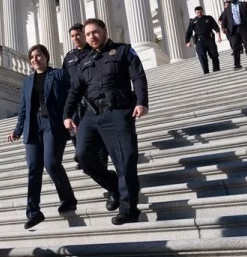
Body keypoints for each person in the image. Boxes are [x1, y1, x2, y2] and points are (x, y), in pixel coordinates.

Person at [63, 18, 149, 225]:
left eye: (95, 32)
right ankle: (114, 186)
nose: (92, 37)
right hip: (92, 115)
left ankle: (129, 210)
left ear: (104, 31)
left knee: (124, 160)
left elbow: (138, 77)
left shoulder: (123, 51)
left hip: (118, 111)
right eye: (88, 34)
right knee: (83, 155)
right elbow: (75, 90)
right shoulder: (85, 61)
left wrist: (142, 101)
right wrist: (66, 115)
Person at [8, 44, 76, 230]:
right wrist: (17, 130)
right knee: (33, 168)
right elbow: (23, 108)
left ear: (46, 57)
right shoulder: (27, 81)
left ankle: (68, 199)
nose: (35, 59)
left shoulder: (60, 75)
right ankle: (33, 212)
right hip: (32, 126)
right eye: (32, 57)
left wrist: (71, 118)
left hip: (53, 124)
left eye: (38, 56)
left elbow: (72, 97)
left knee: (51, 163)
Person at [62, 23, 110, 171]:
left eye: (78, 35)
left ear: (84, 35)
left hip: (92, 99)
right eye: (72, 36)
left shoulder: (93, 52)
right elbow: (65, 78)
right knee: (76, 131)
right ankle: (82, 157)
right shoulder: (69, 57)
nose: (75, 38)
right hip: (76, 100)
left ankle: (102, 160)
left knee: (98, 133)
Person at [224, 0, 247, 70]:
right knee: (235, 47)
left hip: (244, 28)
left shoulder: (245, 4)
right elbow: (224, 19)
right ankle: (237, 64)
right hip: (234, 30)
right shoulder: (227, 9)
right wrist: (224, 27)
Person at [185, 6, 222, 74]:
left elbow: (216, 27)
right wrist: (187, 42)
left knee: (214, 55)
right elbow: (189, 32)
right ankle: (206, 71)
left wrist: (219, 37)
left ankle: (216, 69)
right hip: (199, 41)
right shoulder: (193, 21)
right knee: (202, 56)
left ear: (202, 11)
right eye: (197, 12)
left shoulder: (209, 18)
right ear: (195, 13)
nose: (199, 14)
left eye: (200, 12)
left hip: (209, 39)